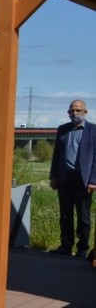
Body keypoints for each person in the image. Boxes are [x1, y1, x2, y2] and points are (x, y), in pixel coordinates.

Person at [48, 99, 96, 257]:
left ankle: (82, 248)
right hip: (64, 178)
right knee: (65, 214)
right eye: (71, 111)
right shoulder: (63, 130)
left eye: (77, 110)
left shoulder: (93, 131)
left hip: (83, 180)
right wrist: (54, 176)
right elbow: (56, 155)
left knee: (83, 216)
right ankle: (66, 246)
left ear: (85, 112)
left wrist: (93, 181)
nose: (74, 113)